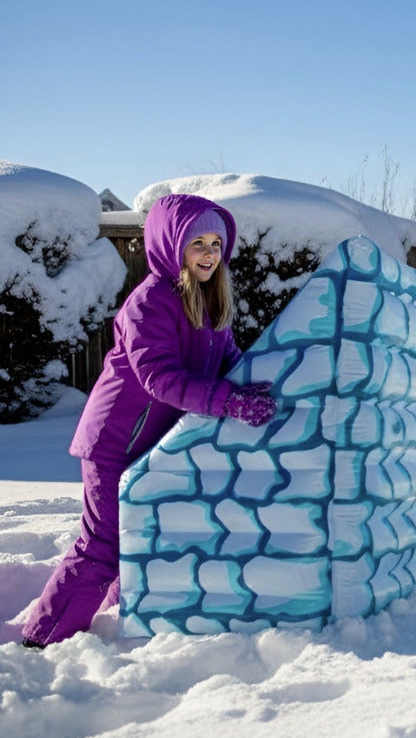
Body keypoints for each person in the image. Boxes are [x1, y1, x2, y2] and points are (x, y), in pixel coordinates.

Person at [21, 194, 278, 647]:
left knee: (142, 535)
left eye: (216, 243)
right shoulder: (151, 302)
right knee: (103, 546)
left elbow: (230, 362)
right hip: (116, 439)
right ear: (171, 243)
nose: (209, 253)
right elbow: (159, 378)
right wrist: (230, 402)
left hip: (152, 442)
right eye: (197, 242)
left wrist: (266, 381)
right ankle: (42, 640)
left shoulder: (210, 301)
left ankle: (124, 618)